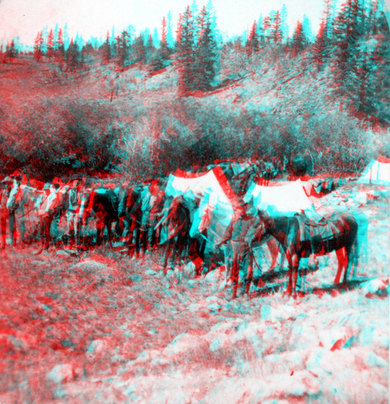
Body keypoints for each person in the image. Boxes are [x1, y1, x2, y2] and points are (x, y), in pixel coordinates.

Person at [0, 177, 13, 249]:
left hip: (9, 212)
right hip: (2, 211)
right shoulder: (2, 191)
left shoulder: (11, 191)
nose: (6, 184)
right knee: (2, 227)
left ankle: (11, 243)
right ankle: (3, 243)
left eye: (8, 182)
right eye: (5, 183)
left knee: (11, 228)